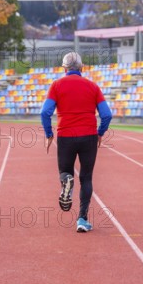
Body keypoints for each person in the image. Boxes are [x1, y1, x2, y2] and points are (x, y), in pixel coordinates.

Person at [41, 52, 112, 233]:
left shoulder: (56, 86)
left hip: (65, 135)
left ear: (64, 69)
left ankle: (67, 179)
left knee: (65, 171)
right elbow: (107, 114)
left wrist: (49, 134)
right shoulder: (93, 86)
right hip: (88, 135)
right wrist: (100, 132)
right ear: (82, 68)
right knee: (86, 177)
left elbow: (45, 112)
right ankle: (82, 218)